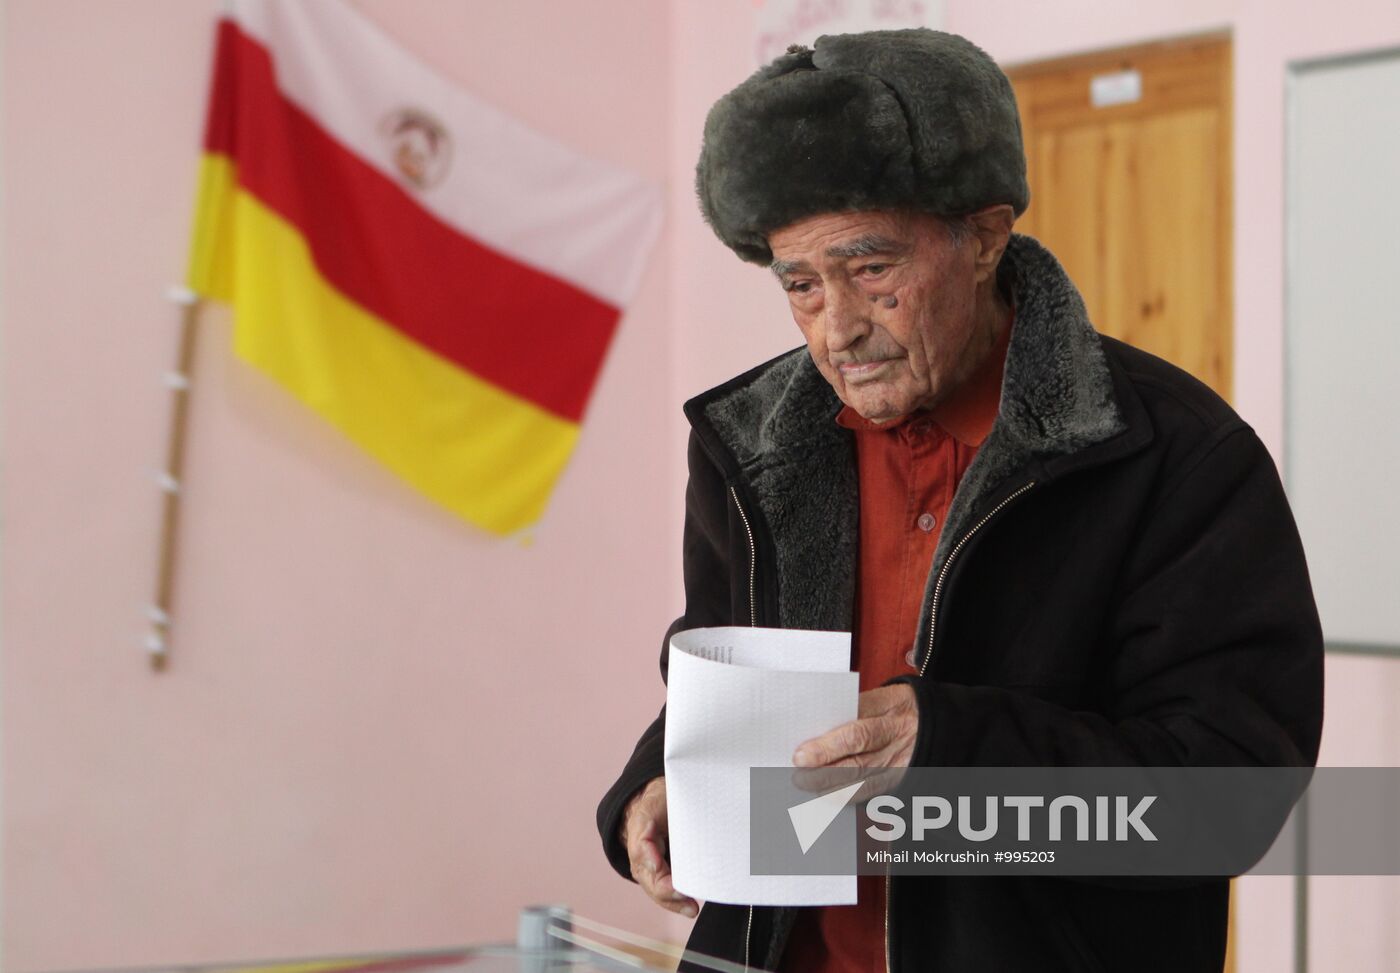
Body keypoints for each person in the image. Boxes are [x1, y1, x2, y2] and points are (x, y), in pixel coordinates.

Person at [596, 28, 1322, 973]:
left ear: (984, 237)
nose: (839, 329)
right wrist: (654, 782)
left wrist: (951, 754)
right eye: (802, 285)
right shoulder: (750, 443)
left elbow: (1231, 802)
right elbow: (727, 677)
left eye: (872, 269)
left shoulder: (1176, 456)